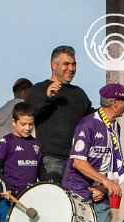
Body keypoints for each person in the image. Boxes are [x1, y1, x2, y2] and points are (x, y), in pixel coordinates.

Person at [62, 83, 124, 222]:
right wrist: (104, 181)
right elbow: (77, 161)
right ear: (115, 102)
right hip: (78, 191)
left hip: (100, 194)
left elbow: (110, 163)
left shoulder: (113, 127)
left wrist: (103, 187)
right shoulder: (88, 124)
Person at [26, 45, 92, 182]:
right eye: (66, 64)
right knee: (54, 200)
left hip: (78, 161)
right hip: (50, 159)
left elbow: (92, 120)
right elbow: (28, 114)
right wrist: (47, 97)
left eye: (74, 64)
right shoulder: (39, 89)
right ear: (53, 65)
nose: (71, 69)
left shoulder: (79, 94)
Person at [0, 78, 33, 145]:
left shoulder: (1, 111)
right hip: (22, 153)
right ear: (26, 91)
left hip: (2, 154)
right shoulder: (28, 111)